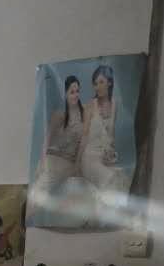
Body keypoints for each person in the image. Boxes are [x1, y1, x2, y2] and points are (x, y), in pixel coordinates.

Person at [78, 64, 130, 226]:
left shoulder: (114, 104)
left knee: (122, 176)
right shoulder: (90, 106)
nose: (97, 86)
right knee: (111, 178)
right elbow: (84, 136)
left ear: (110, 82)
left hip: (103, 157)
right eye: (95, 83)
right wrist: (77, 162)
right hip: (89, 157)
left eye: (101, 82)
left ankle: (99, 221)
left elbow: (111, 136)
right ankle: (100, 220)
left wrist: (110, 153)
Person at [31, 75, 85, 219]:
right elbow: (46, 141)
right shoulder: (59, 115)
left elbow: (83, 144)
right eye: (72, 92)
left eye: (77, 91)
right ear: (65, 94)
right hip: (53, 160)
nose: (76, 95)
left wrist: (77, 166)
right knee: (37, 197)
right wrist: (42, 164)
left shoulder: (85, 114)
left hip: (69, 163)